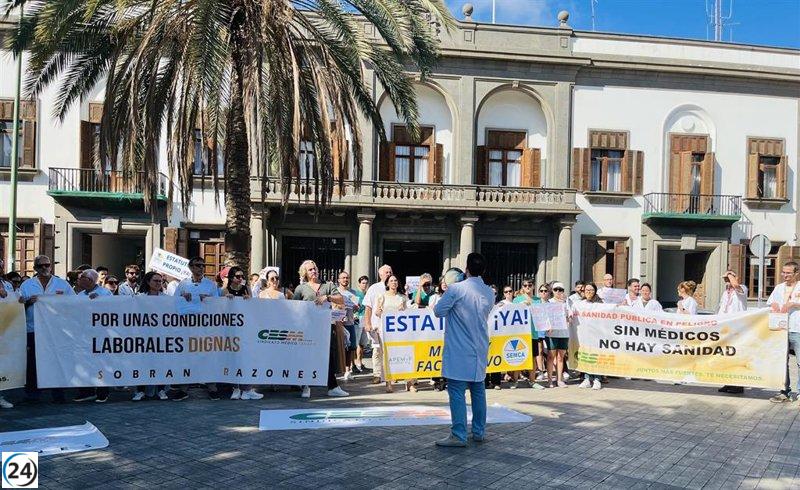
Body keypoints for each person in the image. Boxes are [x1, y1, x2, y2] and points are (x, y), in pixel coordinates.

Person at [433, 253, 494, 447]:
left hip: (459, 347)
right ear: (483, 270)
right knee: (478, 390)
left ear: (466, 268)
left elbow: (438, 311)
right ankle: (479, 431)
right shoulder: (489, 291)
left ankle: (458, 434)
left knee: (457, 391)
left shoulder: (456, 289)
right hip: (479, 346)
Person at [19, 255, 75, 403]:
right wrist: (27, 303)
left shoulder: (62, 284)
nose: (44, 268)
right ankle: (32, 394)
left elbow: (75, 303)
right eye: (41, 266)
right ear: (35, 268)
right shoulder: (27, 286)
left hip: (57, 331)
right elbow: (17, 306)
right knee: (32, 363)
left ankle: (58, 394)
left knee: (57, 361)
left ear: (51, 266)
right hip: (33, 329)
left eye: (47, 265)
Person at [292, 259, 349, 398]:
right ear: (305, 272)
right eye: (310, 269)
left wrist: (328, 297)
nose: (314, 271)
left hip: (325, 326)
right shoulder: (301, 288)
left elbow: (341, 299)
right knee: (307, 355)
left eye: (315, 268)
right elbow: (294, 307)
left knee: (328, 356)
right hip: (307, 327)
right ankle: (306, 386)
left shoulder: (327, 285)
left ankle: (333, 386)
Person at [172, 256, 222, 401]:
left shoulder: (211, 285)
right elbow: (173, 301)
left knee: (207, 355)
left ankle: (212, 388)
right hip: (188, 326)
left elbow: (218, 304)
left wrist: (209, 300)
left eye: (202, 265)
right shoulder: (183, 284)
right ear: (191, 268)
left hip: (205, 326)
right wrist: (182, 296)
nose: (201, 268)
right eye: (197, 265)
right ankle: (183, 389)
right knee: (187, 357)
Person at [73, 269, 113, 403]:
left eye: (82, 277)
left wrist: (99, 302)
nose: (79, 280)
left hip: (101, 334)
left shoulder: (104, 293)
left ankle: (102, 392)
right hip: (84, 335)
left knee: (101, 364)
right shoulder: (80, 295)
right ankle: (86, 392)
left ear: (89, 280)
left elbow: (113, 311)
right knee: (84, 363)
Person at [130, 271, 171, 402]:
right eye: (155, 281)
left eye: (160, 281)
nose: (159, 283)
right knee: (142, 363)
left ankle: (161, 389)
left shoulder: (166, 298)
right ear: (148, 282)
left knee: (160, 363)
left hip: (161, 336)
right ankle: (140, 390)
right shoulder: (139, 297)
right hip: (143, 336)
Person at [768, 261, 800, 404]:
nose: (785, 275)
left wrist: (794, 303)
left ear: (796, 274)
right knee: (782, 362)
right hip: (781, 330)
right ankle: (784, 392)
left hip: (797, 329)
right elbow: (771, 302)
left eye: (788, 273)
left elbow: (793, 304)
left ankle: (799, 394)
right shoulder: (779, 288)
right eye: (783, 272)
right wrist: (773, 304)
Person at [715, 270, 748, 394]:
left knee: (736, 356)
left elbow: (736, 286)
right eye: (725, 279)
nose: (727, 281)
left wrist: (730, 274)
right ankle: (728, 382)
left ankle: (738, 385)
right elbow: (721, 308)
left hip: (737, 328)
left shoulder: (743, 289)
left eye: (729, 278)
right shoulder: (725, 293)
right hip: (725, 328)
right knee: (726, 356)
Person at [375, 274, 409, 392]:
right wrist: (383, 313)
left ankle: (408, 382)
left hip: (399, 331)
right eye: (391, 281)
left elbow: (407, 313)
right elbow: (377, 312)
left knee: (403, 353)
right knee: (386, 355)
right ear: (387, 283)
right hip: (385, 330)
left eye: (395, 280)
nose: (394, 282)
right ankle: (388, 383)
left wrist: (402, 310)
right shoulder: (382, 296)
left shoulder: (402, 297)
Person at [363, 264, 394, 387]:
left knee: (390, 350)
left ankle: (389, 374)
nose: (389, 274)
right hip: (377, 324)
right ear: (380, 274)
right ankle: (376, 374)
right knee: (377, 350)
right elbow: (368, 307)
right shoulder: (374, 288)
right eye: (387, 272)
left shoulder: (394, 287)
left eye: (390, 272)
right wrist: (367, 323)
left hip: (392, 326)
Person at [335, 271, 361, 381]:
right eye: (343, 278)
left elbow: (356, 307)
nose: (345, 280)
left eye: (347, 278)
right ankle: (336, 370)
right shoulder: (335, 291)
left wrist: (356, 307)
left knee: (351, 348)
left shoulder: (353, 292)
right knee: (338, 347)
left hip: (350, 322)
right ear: (339, 280)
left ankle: (347, 370)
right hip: (338, 323)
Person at [578, 283, 603, 390]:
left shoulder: (600, 304)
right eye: (586, 290)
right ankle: (587, 378)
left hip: (596, 335)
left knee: (596, 357)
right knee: (586, 356)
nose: (588, 292)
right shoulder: (580, 304)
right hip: (584, 335)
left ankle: (597, 379)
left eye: (591, 290)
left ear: (595, 291)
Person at [547, 282, 570, 388]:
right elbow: (544, 316)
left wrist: (568, 317)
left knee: (561, 357)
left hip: (564, 332)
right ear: (552, 290)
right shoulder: (549, 302)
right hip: (552, 333)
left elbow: (570, 315)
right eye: (556, 289)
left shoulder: (567, 302)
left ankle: (559, 379)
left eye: (560, 289)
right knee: (551, 357)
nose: (558, 292)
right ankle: (550, 379)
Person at [352, 275, 370, 374]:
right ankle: (354, 364)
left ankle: (360, 362)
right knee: (356, 342)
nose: (364, 285)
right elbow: (354, 308)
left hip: (365, 319)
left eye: (366, 283)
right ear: (359, 283)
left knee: (363, 343)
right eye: (363, 283)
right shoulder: (355, 294)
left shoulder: (367, 293)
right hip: (358, 319)